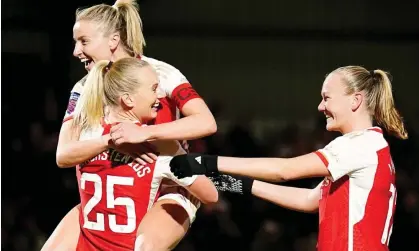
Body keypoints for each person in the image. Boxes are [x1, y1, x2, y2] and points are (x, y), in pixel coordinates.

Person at [170, 66, 408, 251]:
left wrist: (206, 161)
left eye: (327, 98)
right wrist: (234, 183)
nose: (319, 106)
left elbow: (285, 169)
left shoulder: (357, 145)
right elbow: (309, 199)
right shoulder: (372, 147)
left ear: (355, 100)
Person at [41, 1, 217, 250]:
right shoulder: (84, 87)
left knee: (144, 246)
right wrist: (110, 141)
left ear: (113, 40)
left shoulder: (159, 74)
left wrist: (143, 134)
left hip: (168, 184)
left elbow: (206, 122)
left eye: (83, 41)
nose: (76, 51)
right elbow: (63, 154)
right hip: (115, 194)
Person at [76, 57, 217, 250]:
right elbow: (210, 195)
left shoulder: (86, 133)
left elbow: (63, 157)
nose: (159, 95)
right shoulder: (159, 145)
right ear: (128, 99)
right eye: (153, 88)